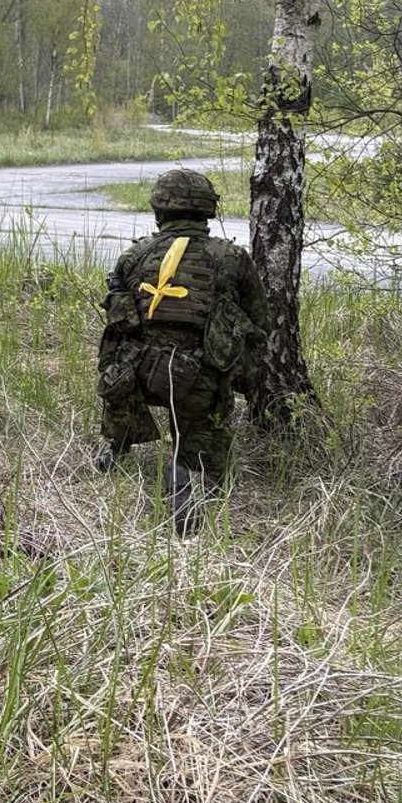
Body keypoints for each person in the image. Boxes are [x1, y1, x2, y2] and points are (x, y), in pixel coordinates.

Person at [94, 167, 269, 534]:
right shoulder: (232, 258)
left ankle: (116, 445)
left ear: (159, 211)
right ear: (208, 212)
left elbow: (116, 322)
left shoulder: (135, 254)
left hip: (134, 377)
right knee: (203, 462)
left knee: (120, 357)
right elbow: (258, 323)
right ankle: (186, 493)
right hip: (197, 380)